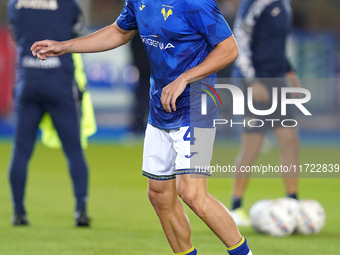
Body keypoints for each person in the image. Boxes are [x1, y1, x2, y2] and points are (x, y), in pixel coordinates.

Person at [31, 0, 253, 254]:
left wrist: (185, 77)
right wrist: (65, 46)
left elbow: (229, 49)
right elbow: (119, 31)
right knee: (159, 194)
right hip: (160, 108)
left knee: (192, 194)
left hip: (196, 106)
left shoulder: (195, 3)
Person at [8, 0, 92, 227]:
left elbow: (15, 32)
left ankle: (18, 212)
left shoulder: (16, 3)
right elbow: (79, 32)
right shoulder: (68, 4)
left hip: (28, 80)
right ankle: (81, 210)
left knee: (21, 149)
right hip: (60, 82)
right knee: (74, 149)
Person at [230, 0, 302, 226]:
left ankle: (292, 201)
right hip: (254, 83)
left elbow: (276, 45)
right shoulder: (254, 3)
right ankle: (236, 206)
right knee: (252, 147)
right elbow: (239, 41)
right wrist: (252, 82)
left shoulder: (285, 4)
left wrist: (290, 73)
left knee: (290, 142)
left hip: (277, 81)